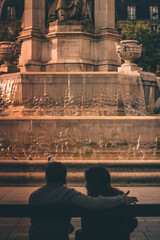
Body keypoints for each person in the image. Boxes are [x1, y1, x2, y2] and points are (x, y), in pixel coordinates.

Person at [29, 162, 138, 240]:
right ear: (64, 177)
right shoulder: (68, 194)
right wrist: (121, 199)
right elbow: (93, 204)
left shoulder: (34, 195)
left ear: (46, 176)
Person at [75, 167, 138, 240]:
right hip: (119, 236)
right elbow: (132, 223)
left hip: (95, 236)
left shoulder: (90, 201)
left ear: (91, 183)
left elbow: (86, 226)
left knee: (79, 233)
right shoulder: (120, 196)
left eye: (87, 181)